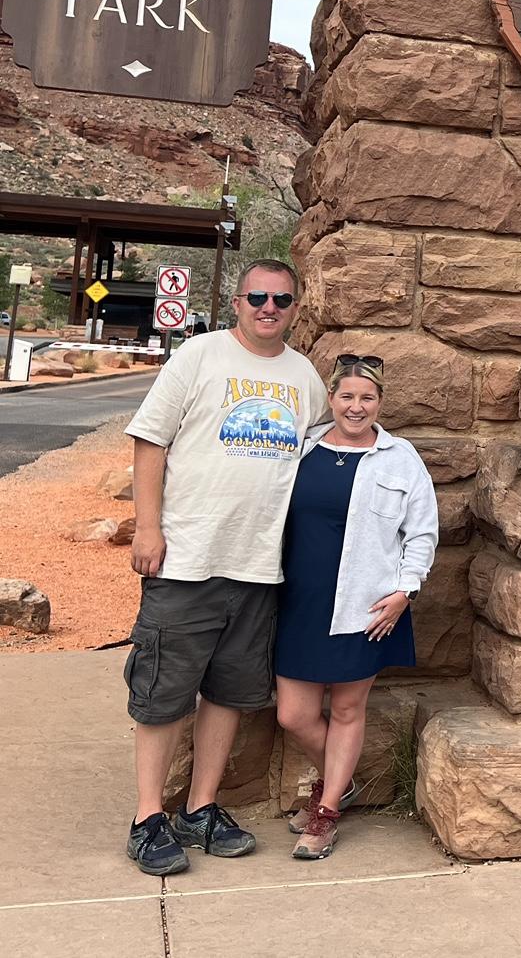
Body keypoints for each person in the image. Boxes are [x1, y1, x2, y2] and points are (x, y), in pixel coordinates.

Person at [122, 260, 329, 877]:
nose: (270, 307)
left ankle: (202, 807)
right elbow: (150, 441)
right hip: (188, 556)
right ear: (238, 302)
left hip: (260, 564)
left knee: (230, 693)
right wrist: (148, 526)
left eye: (282, 299)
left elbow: (324, 447)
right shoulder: (199, 357)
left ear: (296, 307)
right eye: (258, 297)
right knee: (162, 693)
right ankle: (147, 816)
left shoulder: (304, 376)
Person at [274, 354, 437, 860]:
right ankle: (339, 784)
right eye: (347, 395)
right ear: (332, 399)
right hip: (299, 601)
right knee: (293, 715)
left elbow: (422, 531)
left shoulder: (399, 457)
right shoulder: (301, 450)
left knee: (347, 709)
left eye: (367, 397)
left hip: (367, 607)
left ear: (380, 402)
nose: (356, 405)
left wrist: (404, 592)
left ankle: (325, 814)